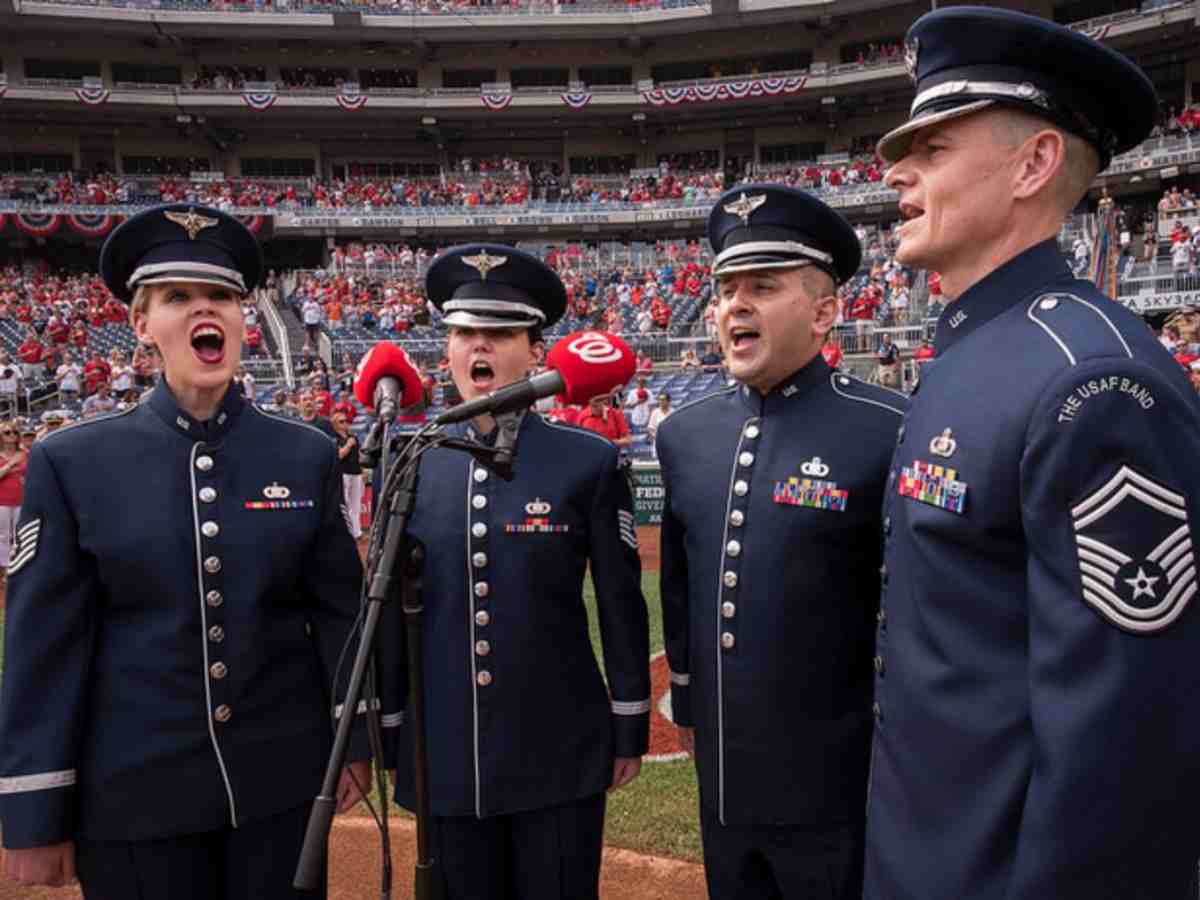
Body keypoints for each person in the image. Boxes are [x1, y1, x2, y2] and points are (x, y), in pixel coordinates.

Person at [864, 10, 1200, 899]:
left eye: (932, 147)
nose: (895, 171)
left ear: (1034, 163)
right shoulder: (977, 351)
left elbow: (1121, 751)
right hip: (924, 855)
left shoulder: (1091, 380)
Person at [0, 203, 371, 899]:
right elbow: (43, 647)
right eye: (178, 297)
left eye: (223, 296)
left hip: (280, 798)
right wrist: (33, 808)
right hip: (133, 803)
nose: (208, 311)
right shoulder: (72, 462)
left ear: (242, 318)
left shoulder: (307, 455)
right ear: (142, 325)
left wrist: (354, 742)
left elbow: (338, 616)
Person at [379, 244, 650, 900]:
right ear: (446, 349)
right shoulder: (409, 458)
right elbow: (385, 611)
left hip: (558, 752)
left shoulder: (587, 461)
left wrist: (628, 721)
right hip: (442, 753)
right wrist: (388, 726)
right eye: (466, 332)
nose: (481, 348)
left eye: (500, 334)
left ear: (536, 352)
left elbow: (620, 601)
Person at [658, 184, 905, 900]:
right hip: (726, 793)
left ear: (825, 311)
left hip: (838, 797)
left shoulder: (888, 427)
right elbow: (678, 587)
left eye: (763, 287)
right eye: (725, 290)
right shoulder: (683, 435)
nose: (735, 305)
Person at [0, 420, 28, 572]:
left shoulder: (24, 453)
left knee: (19, 533)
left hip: (21, 499)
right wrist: (11, 464)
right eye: (7, 432)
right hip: (2, 501)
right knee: (4, 535)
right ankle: (5, 566)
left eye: (15, 432)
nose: (12, 435)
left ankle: (18, 563)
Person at [331, 412, 363, 540]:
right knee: (346, 504)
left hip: (356, 472)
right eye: (341, 421)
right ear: (335, 425)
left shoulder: (353, 436)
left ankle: (357, 532)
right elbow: (339, 455)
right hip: (343, 473)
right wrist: (349, 445)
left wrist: (363, 470)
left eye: (346, 421)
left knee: (356, 504)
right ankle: (347, 531)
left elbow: (359, 454)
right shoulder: (334, 438)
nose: (345, 424)